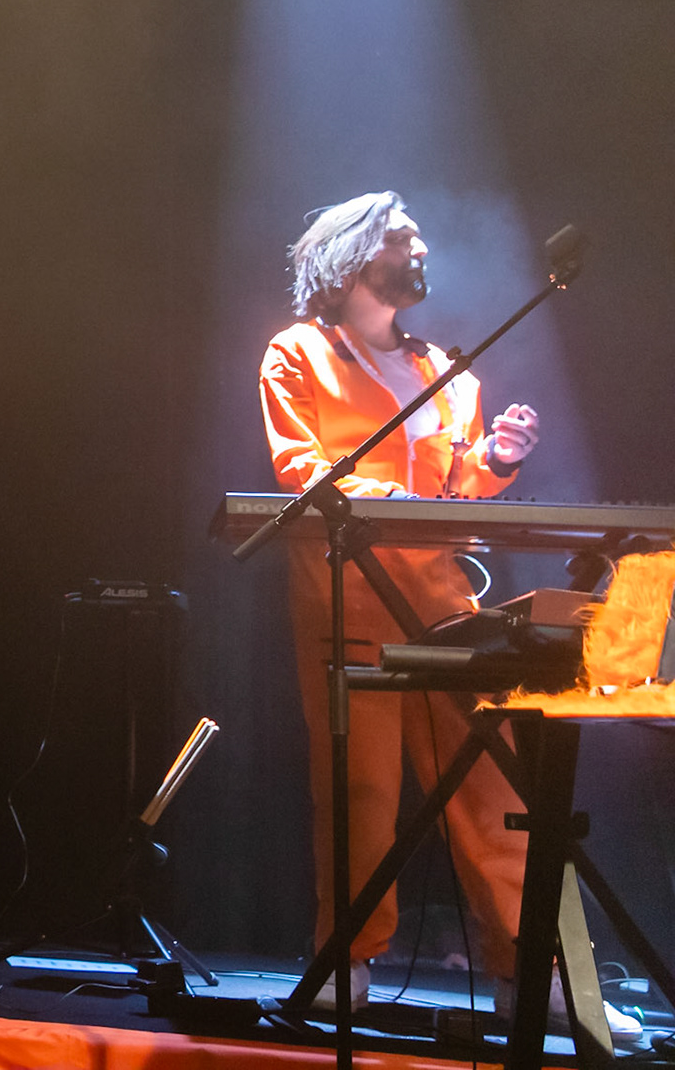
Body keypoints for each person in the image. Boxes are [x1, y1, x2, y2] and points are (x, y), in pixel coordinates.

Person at [260, 192, 539, 1008]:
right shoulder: (297, 353)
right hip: (349, 599)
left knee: (492, 788)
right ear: (352, 254)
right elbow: (300, 468)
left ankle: (530, 971)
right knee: (361, 793)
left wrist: (498, 459)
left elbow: (460, 490)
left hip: (445, 605)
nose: (420, 249)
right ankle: (347, 960)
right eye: (401, 237)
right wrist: (396, 498)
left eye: (419, 238)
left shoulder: (446, 370)